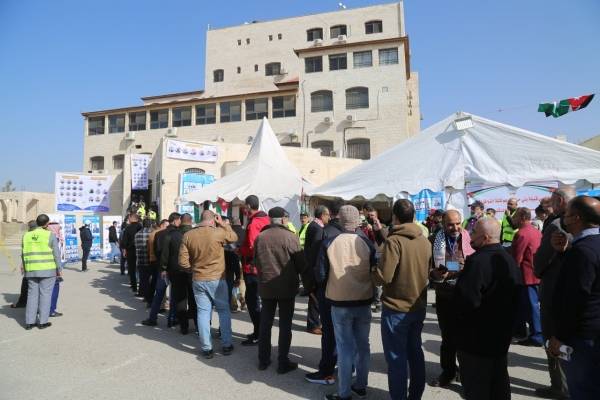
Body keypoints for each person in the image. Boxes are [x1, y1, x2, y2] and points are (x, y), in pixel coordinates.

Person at [454, 218, 523, 400]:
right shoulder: (508, 259)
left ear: (485, 237)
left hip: (476, 343)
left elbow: (466, 302)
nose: (470, 236)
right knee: (498, 387)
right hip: (499, 340)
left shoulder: (477, 262)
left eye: (474, 232)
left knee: (478, 389)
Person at [372, 199, 432, 400]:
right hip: (418, 306)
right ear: (413, 216)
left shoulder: (394, 241)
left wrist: (373, 271)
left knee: (396, 359)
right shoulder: (425, 241)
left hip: (396, 308)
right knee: (415, 353)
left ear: (395, 217)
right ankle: (415, 396)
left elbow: (384, 276)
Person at [318, 205, 376, 400]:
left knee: (344, 348)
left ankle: (343, 393)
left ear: (340, 221)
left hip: (339, 300)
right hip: (363, 299)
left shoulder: (329, 242)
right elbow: (375, 270)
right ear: (357, 221)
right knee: (363, 345)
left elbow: (320, 274)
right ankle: (361, 385)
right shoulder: (366, 242)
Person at [549, 196, 600, 400]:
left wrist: (559, 337)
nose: (563, 218)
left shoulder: (583, 251)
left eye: (567, 214)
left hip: (583, 337)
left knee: (583, 391)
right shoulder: (584, 247)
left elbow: (575, 300)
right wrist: (563, 254)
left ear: (576, 218)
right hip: (591, 333)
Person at [254, 207, 312, 373]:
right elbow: (301, 264)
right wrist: (307, 284)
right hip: (286, 287)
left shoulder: (260, 237)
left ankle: (263, 359)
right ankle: (282, 362)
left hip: (266, 286)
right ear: (283, 219)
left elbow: (256, 261)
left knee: (265, 324)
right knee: (285, 325)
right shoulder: (290, 237)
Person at [533, 188, 575, 399]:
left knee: (553, 340)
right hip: (577, 293)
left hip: (555, 293)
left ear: (559, 200)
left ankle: (560, 388)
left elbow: (541, 260)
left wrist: (538, 270)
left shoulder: (557, 225)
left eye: (552, 202)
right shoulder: (588, 224)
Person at [179, 210, 238, 359]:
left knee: (203, 313)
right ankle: (226, 345)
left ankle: (206, 348)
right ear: (213, 220)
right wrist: (223, 224)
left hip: (198, 278)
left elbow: (182, 262)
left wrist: (193, 269)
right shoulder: (218, 232)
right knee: (223, 311)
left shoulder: (188, 235)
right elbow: (234, 237)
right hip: (217, 278)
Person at [429, 209, 475, 387]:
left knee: (465, 337)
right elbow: (429, 267)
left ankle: (466, 373)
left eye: (458, 223)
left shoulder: (470, 238)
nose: (455, 228)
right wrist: (434, 273)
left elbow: (472, 263)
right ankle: (448, 372)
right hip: (444, 296)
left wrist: (452, 267)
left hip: (465, 295)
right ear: (442, 223)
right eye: (450, 224)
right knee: (447, 338)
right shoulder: (433, 240)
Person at [305, 201, 341, 386]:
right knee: (344, 332)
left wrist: (315, 284)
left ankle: (327, 372)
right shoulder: (358, 234)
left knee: (331, 332)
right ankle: (348, 368)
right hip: (350, 293)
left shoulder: (325, 231)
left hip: (328, 288)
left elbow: (317, 264)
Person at [239, 195, 270, 346]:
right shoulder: (266, 219)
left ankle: (259, 333)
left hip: (252, 267)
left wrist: (239, 250)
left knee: (252, 300)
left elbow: (252, 247)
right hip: (265, 266)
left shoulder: (253, 223)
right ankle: (261, 332)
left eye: (245, 206)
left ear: (249, 206)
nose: (244, 209)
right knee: (260, 300)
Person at [22, 214, 62, 330]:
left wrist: (25, 268)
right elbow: (56, 254)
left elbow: (23, 253)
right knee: (45, 295)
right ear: (47, 224)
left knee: (32, 295)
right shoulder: (49, 235)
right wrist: (59, 269)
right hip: (47, 270)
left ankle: (30, 322)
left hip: (31, 269)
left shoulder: (26, 235)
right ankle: (42, 322)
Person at [511, 207, 543, 346]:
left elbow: (517, 258)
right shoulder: (536, 231)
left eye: (515, 216)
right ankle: (525, 332)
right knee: (529, 306)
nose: (513, 219)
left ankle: (537, 336)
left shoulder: (522, 233)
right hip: (535, 274)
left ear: (522, 217)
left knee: (531, 306)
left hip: (527, 276)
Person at [142, 213, 181, 327]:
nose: (180, 222)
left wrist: (161, 265)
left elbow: (156, 251)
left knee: (159, 294)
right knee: (174, 294)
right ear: (175, 220)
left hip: (161, 268)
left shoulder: (159, 234)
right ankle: (172, 318)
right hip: (175, 268)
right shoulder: (178, 234)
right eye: (179, 220)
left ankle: (152, 318)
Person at [161, 213, 196, 335]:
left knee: (181, 299)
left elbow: (165, 254)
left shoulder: (171, 235)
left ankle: (184, 326)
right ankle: (198, 326)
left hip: (176, 271)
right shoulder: (196, 234)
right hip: (193, 270)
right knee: (194, 298)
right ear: (191, 221)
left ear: (180, 221)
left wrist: (164, 268)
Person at [304, 205, 330, 336]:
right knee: (315, 297)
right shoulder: (318, 229)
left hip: (311, 266)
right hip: (313, 267)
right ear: (322, 215)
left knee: (314, 296)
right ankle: (313, 325)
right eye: (327, 215)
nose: (329, 218)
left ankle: (314, 322)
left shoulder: (313, 226)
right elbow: (316, 251)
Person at [361, 203, 388, 313]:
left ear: (376, 216)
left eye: (372, 215)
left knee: (377, 281)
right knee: (370, 279)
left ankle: (378, 303)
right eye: (369, 215)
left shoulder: (382, 226)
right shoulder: (364, 226)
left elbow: (383, 239)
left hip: (378, 255)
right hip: (366, 255)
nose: (370, 217)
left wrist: (374, 229)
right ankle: (372, 299)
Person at [11, 221, 38, 309]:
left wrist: (22, 264)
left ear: (29, 227)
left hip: (30, 264)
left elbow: (24, 251)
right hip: (41, 264)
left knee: (27, 283)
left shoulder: (26, 236)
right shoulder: (43, 234)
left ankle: (23, 302)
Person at [147, 219, 169, 305]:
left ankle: (150, 300)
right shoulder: (160, 234)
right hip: (157, 260)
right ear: (162, 225)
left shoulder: (153, 233)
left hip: (152, 259)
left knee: (154, 281)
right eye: (167, 226)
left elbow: (148, 248)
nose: (168, 228)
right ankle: (159, 303)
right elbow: (159, 250)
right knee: (159, 283)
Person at [222, 217, 242, 311]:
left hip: (219, 269)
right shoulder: (232, 239)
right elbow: (234, 257)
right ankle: (232, 304)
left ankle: (231, 304)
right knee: (229, 290)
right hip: (229, 268)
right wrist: (238, 276)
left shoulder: (216, 236)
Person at [121, 213, 142, 293]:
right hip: (140, 250)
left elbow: (124, 241)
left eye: (129, 218)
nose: (128, 219)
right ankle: (141, 287)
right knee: (141, 269)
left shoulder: (128, 228)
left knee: (132, 269)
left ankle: (134, 287)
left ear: (133, 218)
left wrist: (124, 250)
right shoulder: (141, 227)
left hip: (131, 250)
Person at [47, 221, 64, 317]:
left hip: (34, 268)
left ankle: (39, 310)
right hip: (50, 268)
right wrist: (59, 269)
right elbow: (56, 256)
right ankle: (51, 310)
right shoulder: (53, 238)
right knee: (54, 287)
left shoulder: (29, 235)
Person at [134, 219, 152, 299]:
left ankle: (141, 293)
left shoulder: (137, 234)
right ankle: (147, 296)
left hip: (140, 259)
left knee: (142, 278)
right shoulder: (152, 233)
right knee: (149, 279)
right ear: (150, 225)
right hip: (149, 259)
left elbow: (135, 246)